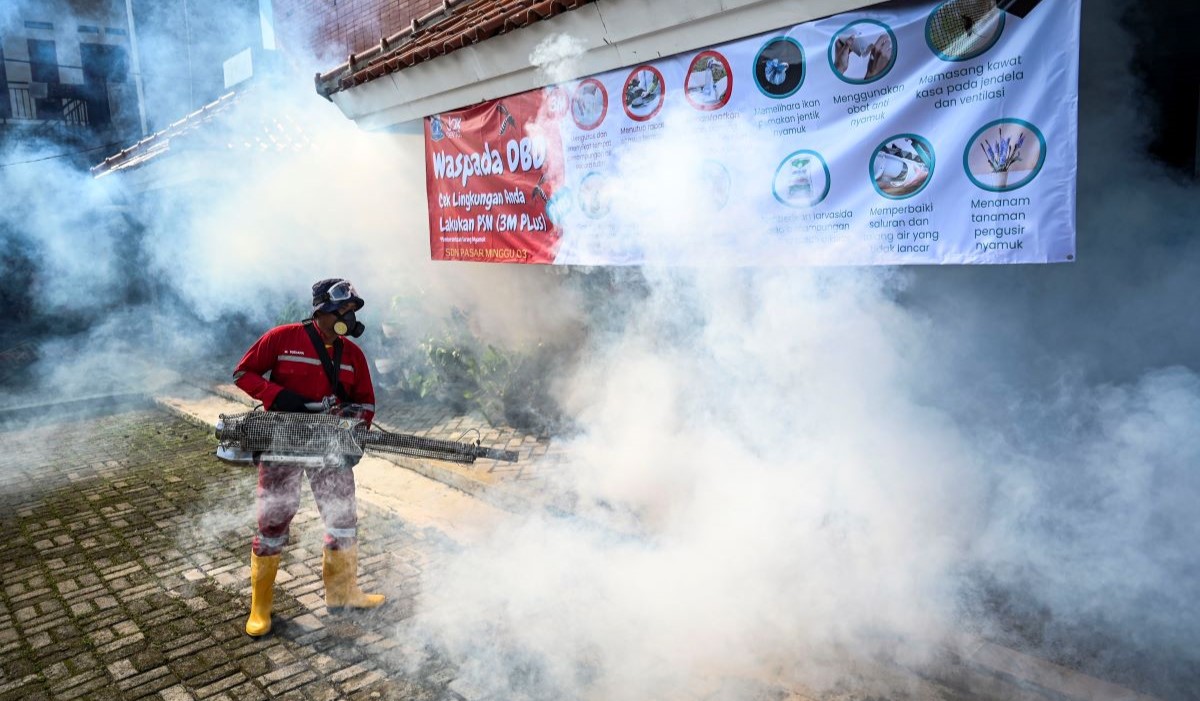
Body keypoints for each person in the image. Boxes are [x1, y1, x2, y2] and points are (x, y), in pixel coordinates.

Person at [232, 278, 385, 637]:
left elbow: (366, 403)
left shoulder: (353, 355)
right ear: (321, 311)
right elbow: (242, 373)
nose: (347, 316)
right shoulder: (281, 339)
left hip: (330, 448)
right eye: (341, 310)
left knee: (343, 519)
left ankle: (343, 594)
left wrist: (354, 432)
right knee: (273, 519)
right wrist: (275, 393)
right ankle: (260, 610)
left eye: (351, 310)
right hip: (281, 442)